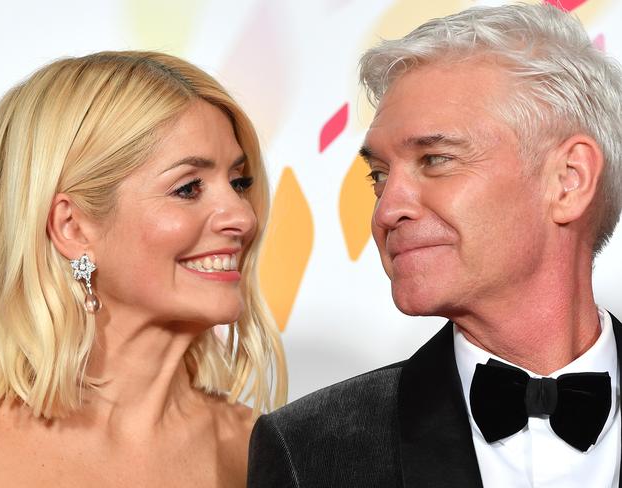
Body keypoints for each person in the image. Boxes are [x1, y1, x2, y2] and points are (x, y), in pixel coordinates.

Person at [248, 3, 622, 487]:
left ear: (568, 181)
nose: (386, 211)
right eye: (379, 176)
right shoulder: (310, 448)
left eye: (435, 159)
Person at [0, 50, 286, 487]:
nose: (243, 217)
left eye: (239, 184)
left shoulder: (261, 453)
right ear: (73, 227)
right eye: (189, 188)